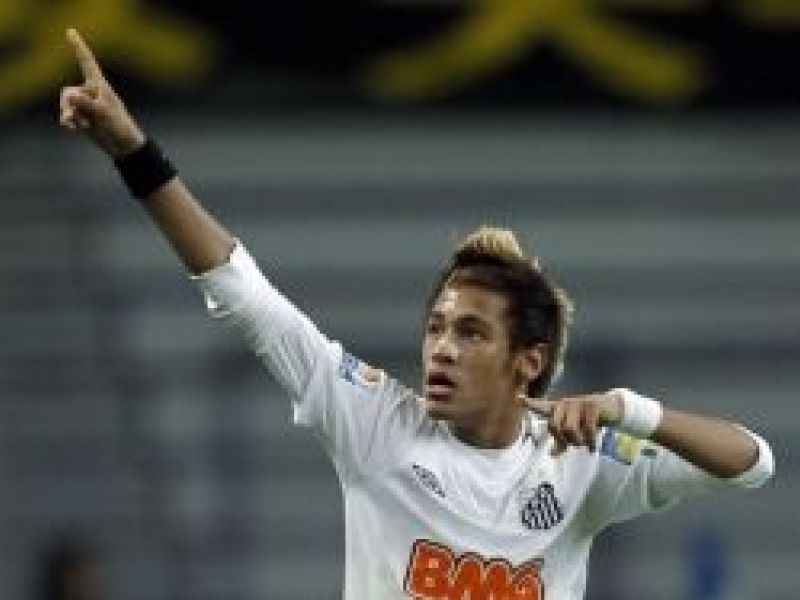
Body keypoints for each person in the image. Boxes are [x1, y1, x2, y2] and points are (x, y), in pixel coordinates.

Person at [58, 28, 774, 600]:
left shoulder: (580, 461)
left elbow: (751, 463)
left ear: (526, 361)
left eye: (471, 332)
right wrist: (132, 152)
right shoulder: (373, 422)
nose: (442, 349)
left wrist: (630, 410)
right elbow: (242, 290)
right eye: (436, 327)